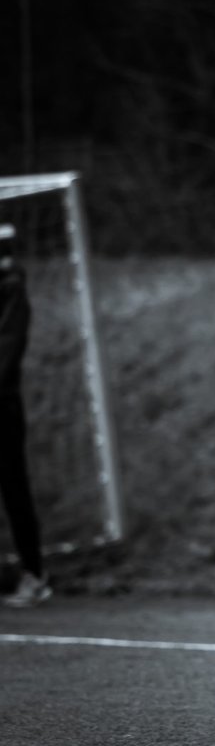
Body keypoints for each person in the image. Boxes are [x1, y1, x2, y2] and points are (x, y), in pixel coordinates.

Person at [0, 223, 50, 608]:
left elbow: (8, 350)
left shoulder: (12, 289)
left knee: (14, 488)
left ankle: (34, 574)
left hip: (3, 404)